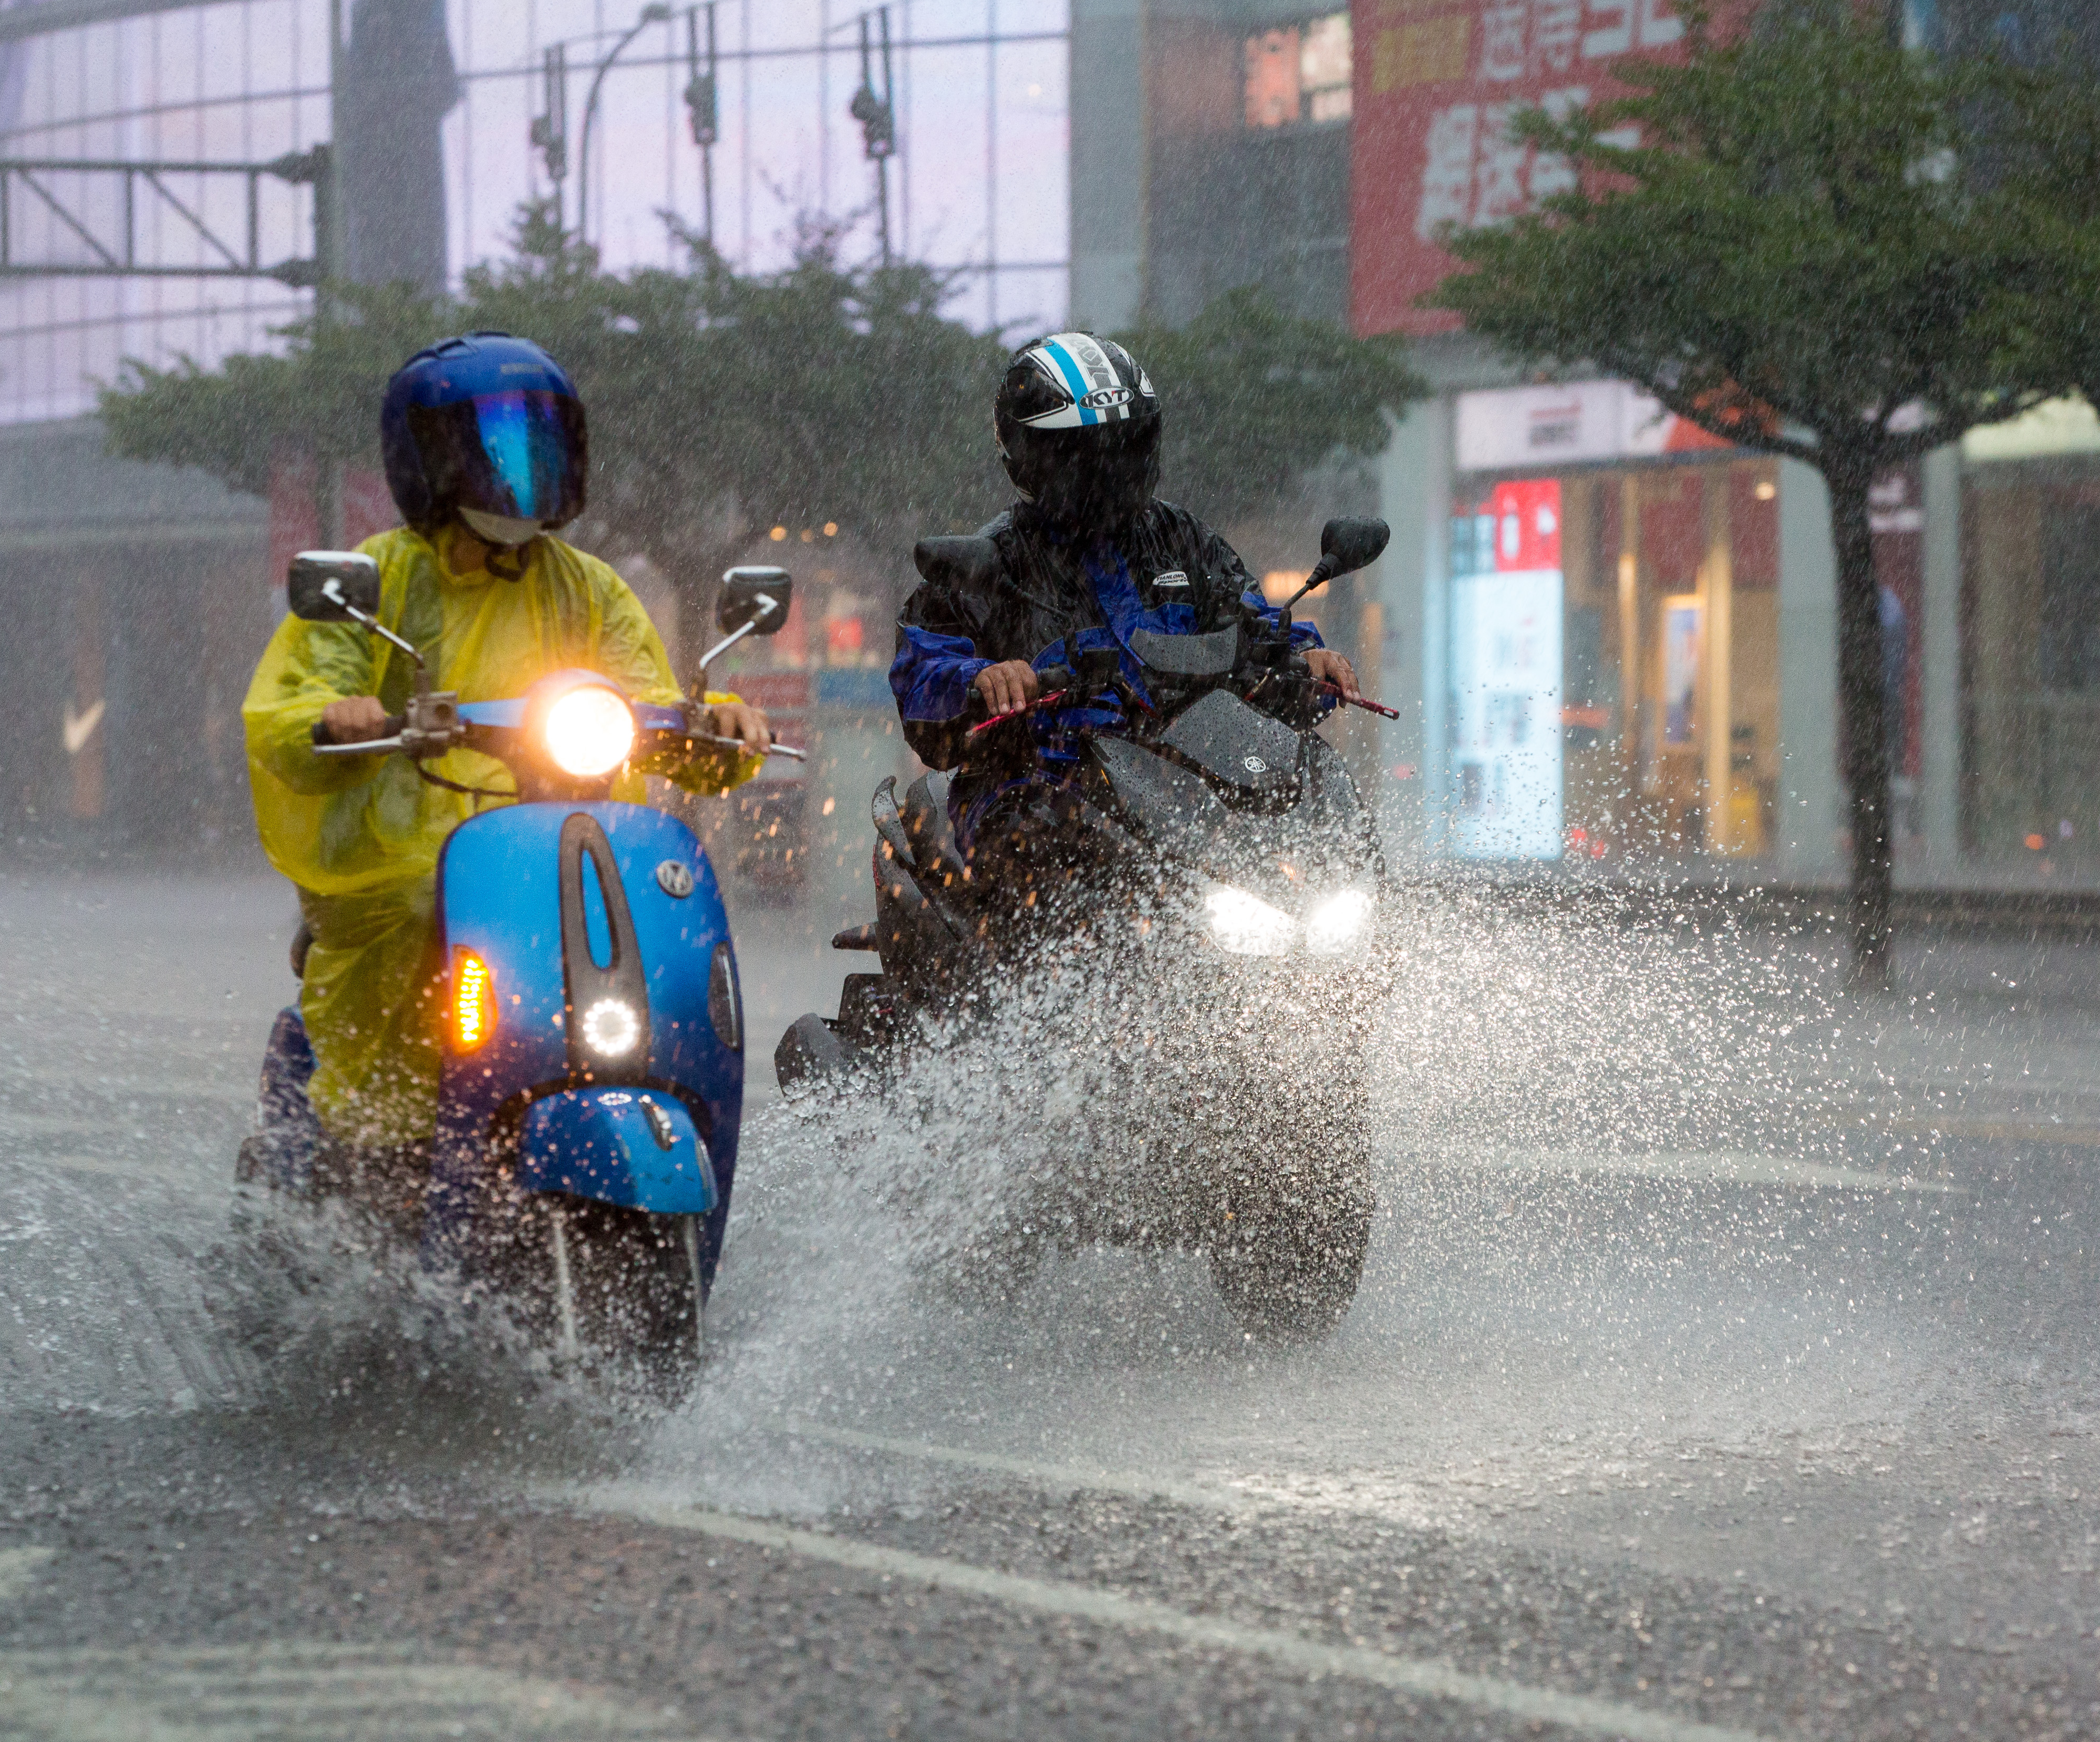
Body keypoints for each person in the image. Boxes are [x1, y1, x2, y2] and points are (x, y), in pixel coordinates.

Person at [242, 331, 770, 1164]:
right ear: (429, 461)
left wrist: (722, 727)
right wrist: (334, 716)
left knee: (665, 927)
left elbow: (651, 700)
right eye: (492, 446)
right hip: (401, 858)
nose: (519, 468)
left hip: (560, 840)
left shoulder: (589, 585)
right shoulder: (382, 577)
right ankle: (381, 1148)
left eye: (540, 442)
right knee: (423, 911)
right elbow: (292, 701)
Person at [889, 330, 1356, 890]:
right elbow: (924, 673)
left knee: (1311, 815)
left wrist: (1305, 657)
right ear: (1029, 458)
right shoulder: (990, 566)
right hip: (1043, 790)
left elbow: (1250, 620)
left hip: (1186, 790)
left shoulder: (1183, 540)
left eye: (1127, 444)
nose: (1111, 467)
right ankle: (1034, 982)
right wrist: (982, 678)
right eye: (1085, 454)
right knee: (1032, 850)